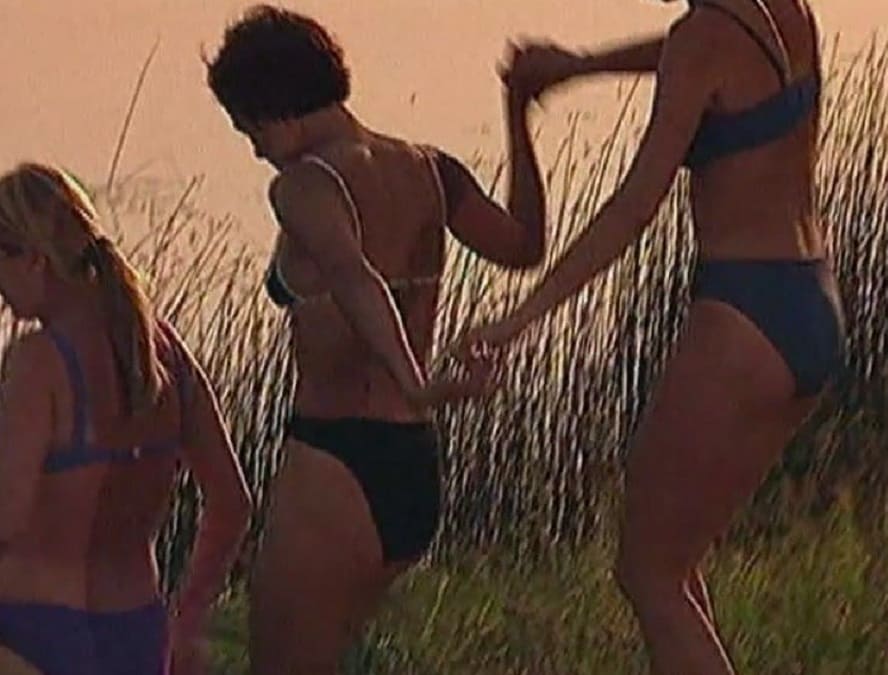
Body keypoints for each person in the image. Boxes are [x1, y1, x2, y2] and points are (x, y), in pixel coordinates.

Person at [458, 1, 845, 672]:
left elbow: (634, 207)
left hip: (744, 313)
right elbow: (689, 56)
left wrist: (520, 317)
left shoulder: (702, 38)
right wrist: (581, 66)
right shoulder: (779, 12)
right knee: (675, 564)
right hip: (811, 298)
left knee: (648, 573)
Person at [204, 5, 547, 672]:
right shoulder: (431, 169)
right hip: (412, 465)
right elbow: (524, 246)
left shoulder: (305, 184)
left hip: (335, 462)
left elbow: (354, 277)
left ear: (277, 107)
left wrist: (415, 381)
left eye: (249, 128)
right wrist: (518, 116)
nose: (253, 148)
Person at [0, 163, 252, 675]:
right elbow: (232, 501)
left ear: (32, 259)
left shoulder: (39, 361)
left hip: (33, 632)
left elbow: (8, 514)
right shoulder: (164, 352)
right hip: (136, 634)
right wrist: (189, 617)